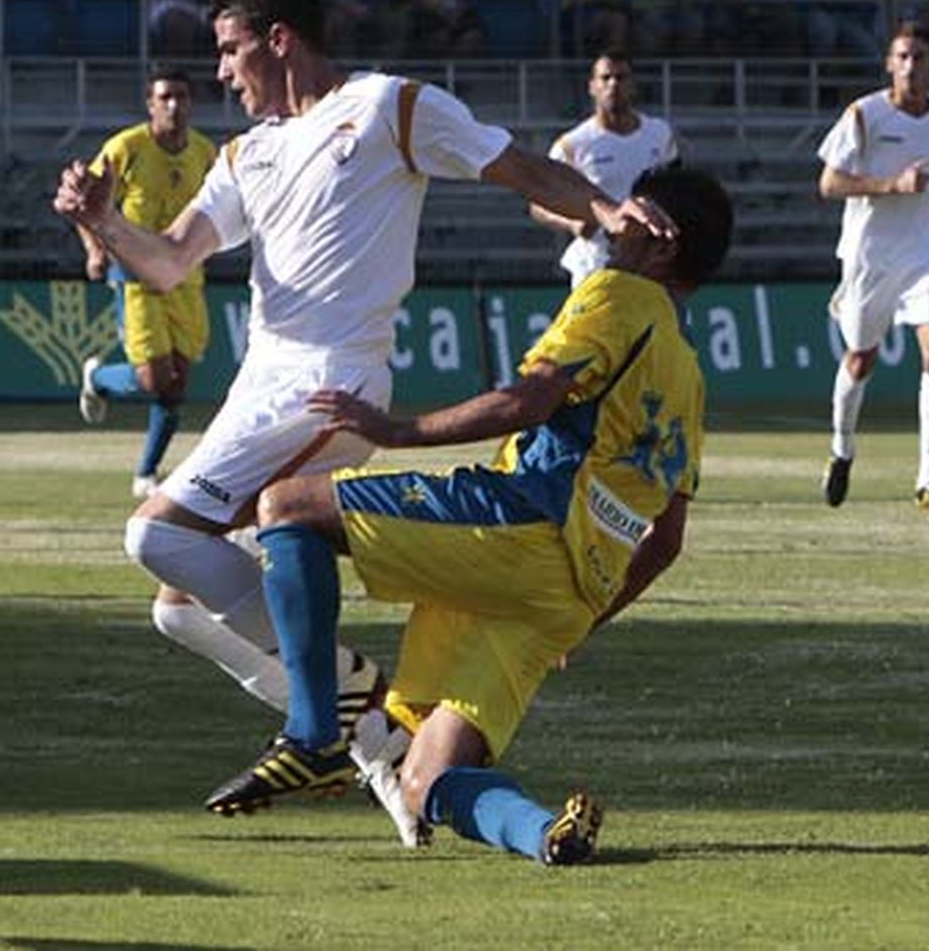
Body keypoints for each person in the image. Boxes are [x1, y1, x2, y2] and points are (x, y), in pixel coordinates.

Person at [50, 0, 675, 846]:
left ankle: (330, 719)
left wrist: (607, 205)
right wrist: (103, 221)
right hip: (257, 385)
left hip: (330, 383)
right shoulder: (246, 153)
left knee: (154, 532)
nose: (222, 74)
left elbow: (516, 166)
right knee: (177, 605)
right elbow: (166, 263)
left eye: (230, 51)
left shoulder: (389, 107)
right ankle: (377, 736)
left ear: (279, 39)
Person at [202, 166, 733, 865]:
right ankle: (545, 835)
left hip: (517, 525)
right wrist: (586, 617)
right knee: (425, 777)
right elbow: (665, 540)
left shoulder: (616, 294)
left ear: (660, 244)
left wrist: (398, 432)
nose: (614, 223)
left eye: (632, 215)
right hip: (567, 594)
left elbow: (527, 401)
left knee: (288, 505)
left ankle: (313, 735)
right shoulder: (688, 374)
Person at [816, 23, 929, 516]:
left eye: (920, 57)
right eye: (903, 57)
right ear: (889, 65)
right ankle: (841, 449)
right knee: (860, 360)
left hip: (926, 248)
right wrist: (891, 185)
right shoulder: (864, 115)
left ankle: (928, 477)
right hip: (870, 254)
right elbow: (829, 183)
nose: (911, 66)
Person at [75, 69, 217, 499]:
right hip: (134, 274)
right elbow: (85, 201)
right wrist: (95, 250)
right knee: (155, 379)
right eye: (165, 97)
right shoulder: (126, 148)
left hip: (186, 275)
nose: (174, 105)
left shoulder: (205, 153)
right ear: (150, 104)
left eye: (181, 97)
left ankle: (146, 473)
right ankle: (99, 380)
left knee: (179, 381)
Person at [531, 51, 679, 287]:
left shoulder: (660, 134)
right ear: (592, 86)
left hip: (649, 262)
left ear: (633, 85)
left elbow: (674, 186)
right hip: (596, 262)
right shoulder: (573, 145)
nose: (613, 84)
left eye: (621, 77)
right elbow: (538, 203)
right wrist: (571, 223)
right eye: (606, 77)